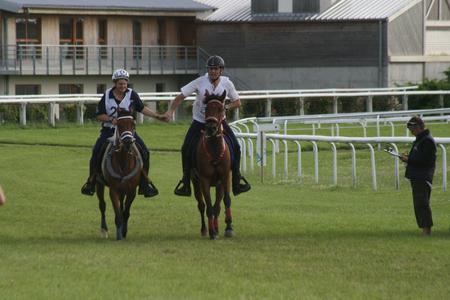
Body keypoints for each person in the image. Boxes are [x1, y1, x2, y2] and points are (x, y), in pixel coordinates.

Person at [162, 55, 251, 197]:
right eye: (210, 69)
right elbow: (180, 96)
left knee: (236, 146)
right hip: (199, 121)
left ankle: (236, 179)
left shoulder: (227, 83)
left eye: (216, 69)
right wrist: (170, 111)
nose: (213, 71)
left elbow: (237, 102)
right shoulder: (200, 81)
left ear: (221, 70)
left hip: (219, 122)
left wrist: (226, 108)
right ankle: (185, 180)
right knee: (186, 148)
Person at [81, 68, 162, 198]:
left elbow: (141, 109)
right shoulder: (107, 95)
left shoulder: (132, 94)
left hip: (127, 131)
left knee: (145, 152)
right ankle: (91, 181)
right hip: (109, 131)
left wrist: (157, 116)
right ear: (115, 83)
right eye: (120, 84)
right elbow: (99, 115)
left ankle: (144, 182)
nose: (123, 86)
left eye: (125, 83)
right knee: (96, 151)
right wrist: (111, 119)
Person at [400, 116, 436, 236]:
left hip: (423, 177)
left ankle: (427, 230)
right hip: (417, 176)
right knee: (418, 204)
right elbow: (417, 157)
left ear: (419, 127)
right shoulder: (419, 139)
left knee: (422, 204)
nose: (411, 131)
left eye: (412, 128)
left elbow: (426, 161)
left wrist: (408, 160)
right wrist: (408, 158)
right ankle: (424, 229)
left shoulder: (427, 141)